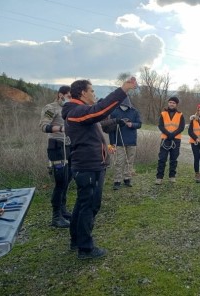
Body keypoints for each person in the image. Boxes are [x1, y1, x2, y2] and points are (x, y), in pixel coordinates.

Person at [61, 78, 137, 259]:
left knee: (81, 205)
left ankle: (76, 241)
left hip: (90, 166)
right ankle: (86, 248)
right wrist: (122, 90)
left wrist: (115, 122)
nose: (94, 94)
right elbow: (99, 111)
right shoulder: (76, 111)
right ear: (83, 93)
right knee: (89, 206)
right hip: (88, 167)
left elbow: (100, 119)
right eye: (92, 91)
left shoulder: (78, 111)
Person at [39, 86, 72, 228]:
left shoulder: (69, 108)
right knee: (60, 182)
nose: (70, 98)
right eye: (68, 96)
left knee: (67, 180)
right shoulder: (51, 108)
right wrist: (60, 128)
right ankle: (56, 217)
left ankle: (63, 210)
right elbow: (43, 126)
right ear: (60, 95)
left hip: (69, 146)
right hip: (56, 147)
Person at [107, 96, 142, 190]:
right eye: (122, 105)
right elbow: (110, 128)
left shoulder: (134, 111)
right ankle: (117, 181)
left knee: (129, 161)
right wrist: (112, 142)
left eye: (126, 105)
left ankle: (127, 179)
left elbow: (139, 124)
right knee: (119, 162)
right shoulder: (114, 112)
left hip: (131, 141)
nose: (124, 106)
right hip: (118, 141)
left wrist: (132, 124)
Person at [155, 96, 185, 185]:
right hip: (165, 139)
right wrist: (168, 134)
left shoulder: (180, 115)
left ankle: (172, 176)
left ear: (176, 104)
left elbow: (181, 127)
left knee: (174, 159)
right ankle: (159, 177)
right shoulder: (163, 113)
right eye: (170, 102)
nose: (172, 104)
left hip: (176, 140)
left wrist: (173, 134)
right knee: (162, 158)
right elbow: (160, 126)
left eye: (174, 103)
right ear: (168, 103)